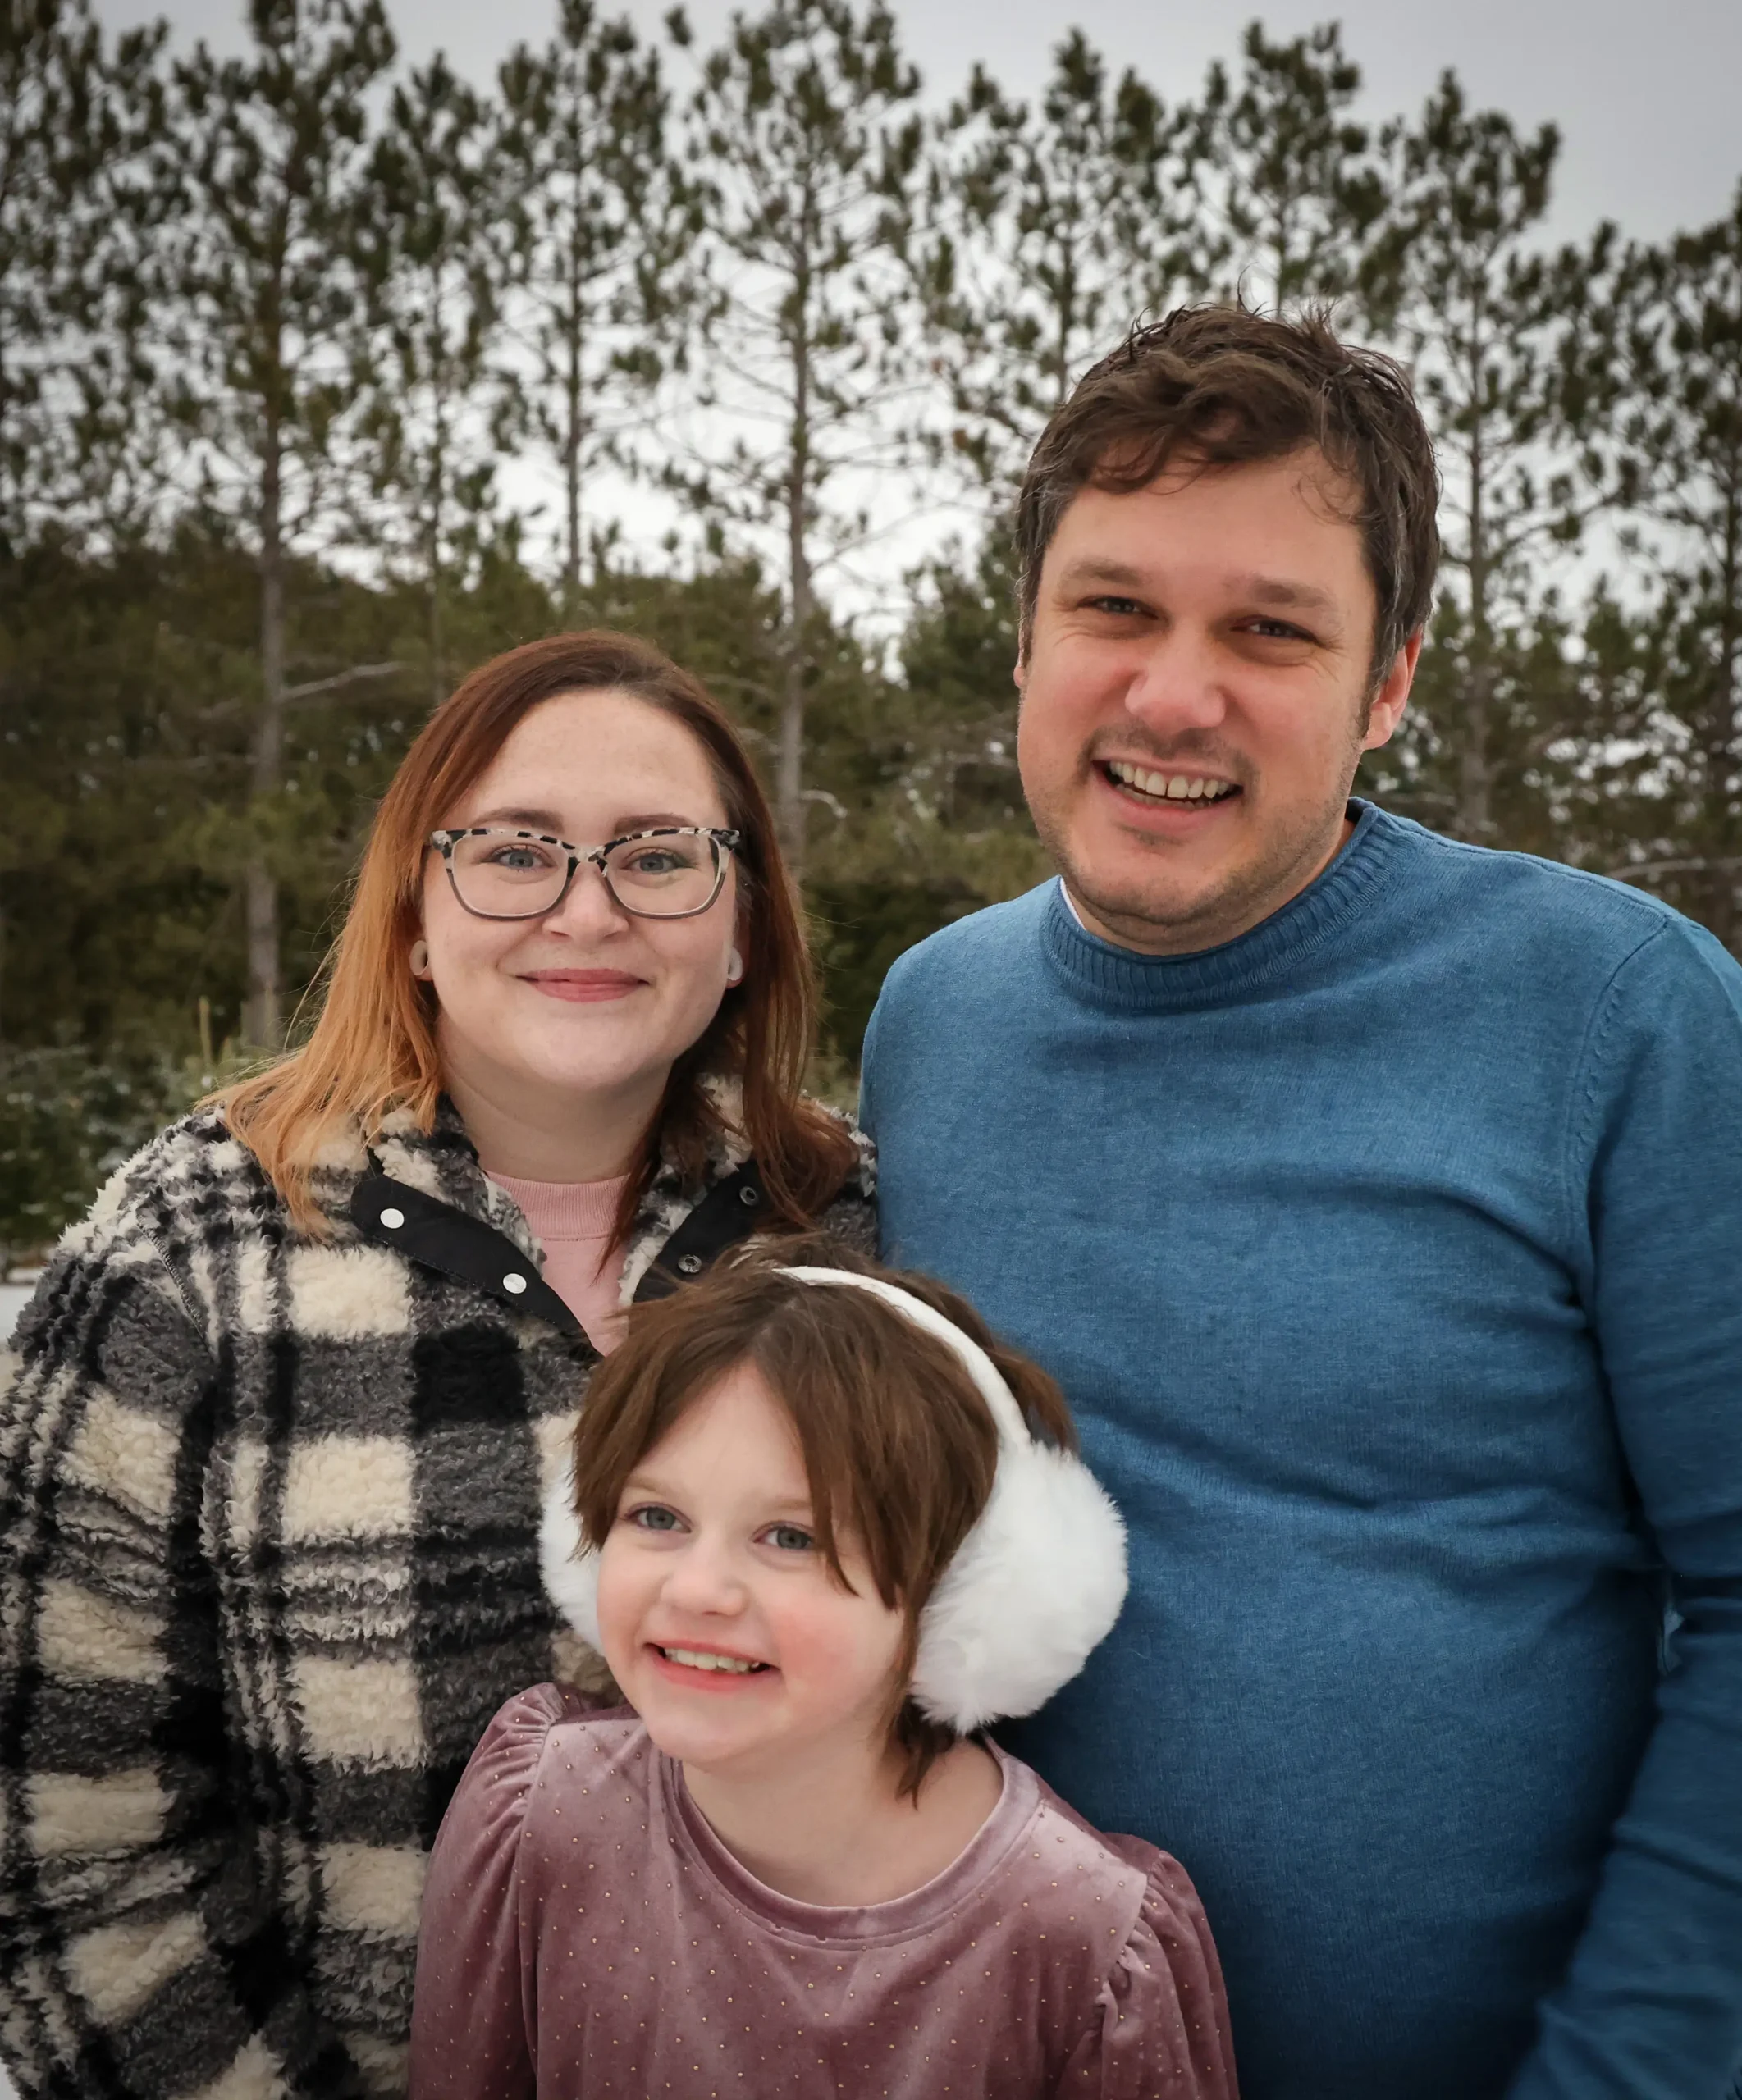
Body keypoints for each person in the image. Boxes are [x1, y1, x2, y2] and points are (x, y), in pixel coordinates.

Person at [857, 304, 1742, 2098]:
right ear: (1021, 639)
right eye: (1112, 608)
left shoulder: (1612, 1012)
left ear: (1386, 682)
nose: (1171, 694)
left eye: (1267, 629)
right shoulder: (928, 1019)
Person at [0, 630, 871, 2100]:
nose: (586, 911)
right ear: (414, 912)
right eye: (514, 852)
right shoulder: (188, 1251)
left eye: (656, 855)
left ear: (741, 928)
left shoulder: (848, 1231)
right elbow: (61, 1842)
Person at [409, 1239, 1237, 2099]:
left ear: (964, 1594)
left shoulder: (1086, 1938)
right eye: (656, 1514)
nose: (697, 1588)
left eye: (791, 1537)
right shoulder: (540, 1809)